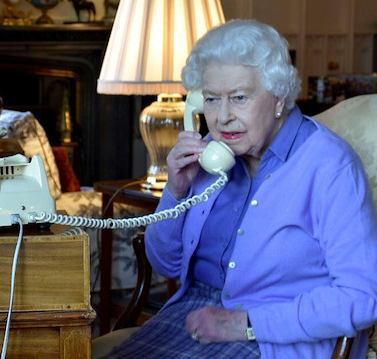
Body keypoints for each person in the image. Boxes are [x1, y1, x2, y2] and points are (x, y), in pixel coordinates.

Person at [101, 19, 377, 358]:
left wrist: (245, 323)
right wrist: (176, 190)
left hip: (274, 337)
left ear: (279, 98)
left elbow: (362, 297)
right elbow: (165, 264)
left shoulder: (329, 166)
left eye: (240, 97)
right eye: (213, 100)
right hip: (192, 319)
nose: (223, 117)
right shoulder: (209, 157)